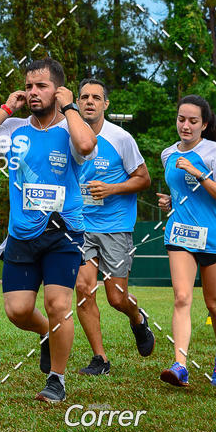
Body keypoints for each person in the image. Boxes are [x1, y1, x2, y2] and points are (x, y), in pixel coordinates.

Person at [0, 58, 97, 403]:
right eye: (29, 86)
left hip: (64, 231)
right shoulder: (14, 129)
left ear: (57, 90)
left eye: (41, 86)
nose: (33, 92)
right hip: (22, 233)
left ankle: (57, 380)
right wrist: (6, 107)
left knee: (58, 304)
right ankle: (46, 333)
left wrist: (70, 106)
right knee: (18, 310)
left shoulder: (71, 128)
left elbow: (86, 146)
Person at [75, 79, 154, 375]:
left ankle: (137, 318)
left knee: (116, 298)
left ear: (106, 104)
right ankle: (100, 359)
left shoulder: (120, 138)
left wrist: (111, 189)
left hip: (116, 226)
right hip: (81, 225)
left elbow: (143, 179)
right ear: (77, 103)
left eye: (96, 97)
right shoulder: (69, 135)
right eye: (84, 97)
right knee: (83, 288)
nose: (90, 102)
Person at [157, 95, 216, 388]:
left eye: (192, 121)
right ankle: (180, 365)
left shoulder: (215, 152)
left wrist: (198, 173)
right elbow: (182, 195)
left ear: (204, 124)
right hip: (180, 236)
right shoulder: (167, 154)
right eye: (181, 119)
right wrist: (171, 203)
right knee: (182, 298)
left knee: (213, 304)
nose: (185, 126)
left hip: (214, 238)